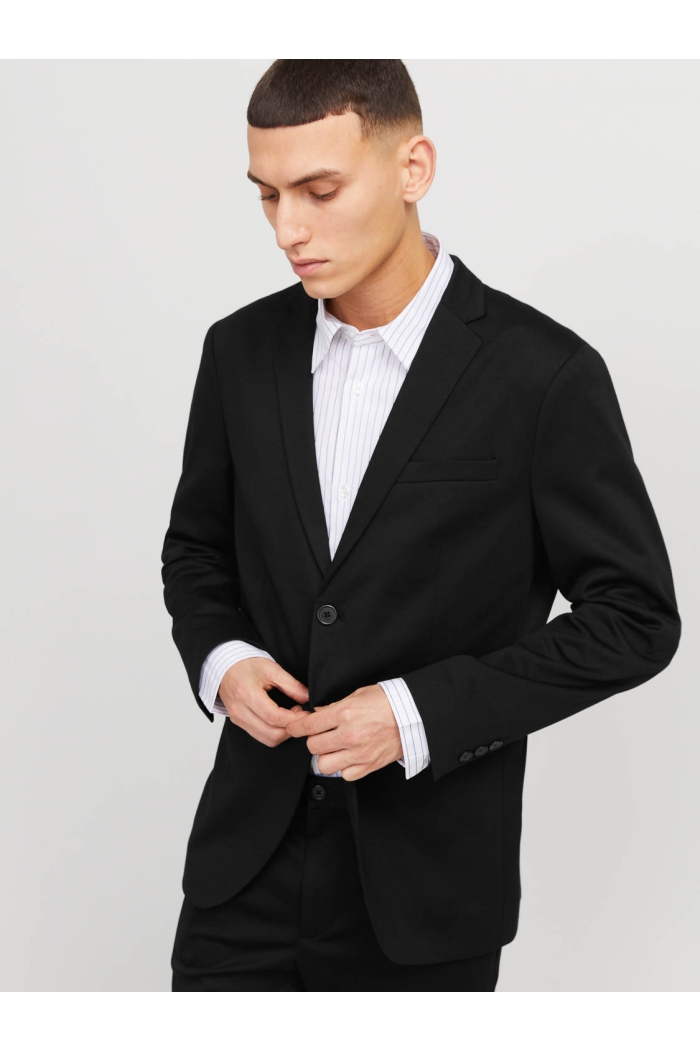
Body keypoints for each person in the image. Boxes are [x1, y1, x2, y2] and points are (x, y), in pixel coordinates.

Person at [160, 59, 681, 992]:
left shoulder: (543, 375)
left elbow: (635, 619)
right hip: (241, 879)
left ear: (414, 168)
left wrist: (416, 715)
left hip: (428, 898)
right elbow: (196, 548)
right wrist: (222, 658)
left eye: (320, 191)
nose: (287, 229)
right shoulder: (237, 351)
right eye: (268, 194)